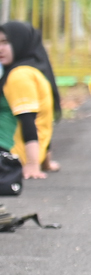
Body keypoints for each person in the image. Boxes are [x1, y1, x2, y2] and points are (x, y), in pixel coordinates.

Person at [1, 20, 62, 180]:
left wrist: (32, 164)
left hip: (8, 153)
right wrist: (45, 161)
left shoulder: (19, 75)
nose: (0, 48)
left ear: (20, 42)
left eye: (6, 42)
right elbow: (45, 120)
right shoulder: (35, 71)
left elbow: (29, 121)